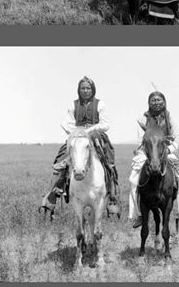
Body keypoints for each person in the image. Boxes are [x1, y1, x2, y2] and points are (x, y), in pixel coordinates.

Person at [40, 76, 119, 218]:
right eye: (83, 88)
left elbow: (105, 124)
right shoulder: (73, 104)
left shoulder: (100, 104)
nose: (85, 90)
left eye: (88, 88)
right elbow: (66, 123)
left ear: (92, 89)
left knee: (108, 160)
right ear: (79, 90)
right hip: (76, 136)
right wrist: (77, 132)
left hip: (95, 135)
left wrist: (89, 130)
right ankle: (52, 194)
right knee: (61, 159)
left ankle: (112, 198)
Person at [129, 91, 179, 228]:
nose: (156, 102)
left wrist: (169, 149)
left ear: (164, 102)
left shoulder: (170, 119)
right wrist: (148, 153)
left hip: (166, 152)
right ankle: (137, 214)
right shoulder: (142, 119)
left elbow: (177, 138)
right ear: (149, 103)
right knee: (133, 180)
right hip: (147, 153)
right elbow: (141, 140)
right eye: (153, 100)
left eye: (159, 100)